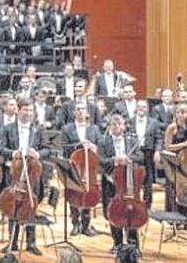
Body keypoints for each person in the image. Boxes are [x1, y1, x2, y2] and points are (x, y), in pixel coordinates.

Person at [1, 96, 49, 256]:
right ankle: (12, 242)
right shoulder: (8, 128)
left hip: (32, 174)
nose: (28, 113)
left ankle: (31, 243)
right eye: (25, 109)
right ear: (18, 110)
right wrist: (13, 153)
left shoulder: (39, 129)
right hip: (14, 174)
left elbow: (47, 149)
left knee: (31, 207)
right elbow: (1, 149)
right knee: (12, 206)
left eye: (30, 110)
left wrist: (37, 154)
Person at [99, 114, 141, 253]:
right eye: (114, 125)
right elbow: (100, 161)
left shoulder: (132, 140)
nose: (117, 127)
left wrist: (128, 158)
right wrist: (114, 160)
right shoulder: (103, 142)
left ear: (124, 126)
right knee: (113, 212)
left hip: (129, 183)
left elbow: (140, 156)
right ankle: (117, 243)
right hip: (111, 182)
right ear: (110, 127)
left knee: (132, 212)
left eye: (119, 124)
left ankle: (133, 245)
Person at [60, 100, 101, 235]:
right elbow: (64, 147)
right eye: (77, 109)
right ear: (73, 112)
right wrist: (79, 144)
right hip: (74, 165)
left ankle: (86, 225)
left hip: (90, 168)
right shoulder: (67, 128)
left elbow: (100, 145)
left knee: (88, 192)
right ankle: (75, 223)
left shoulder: (94, 129)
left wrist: (94, 147)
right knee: (73, 192)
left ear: (87, 112)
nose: (80, 111)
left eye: (83, 109)